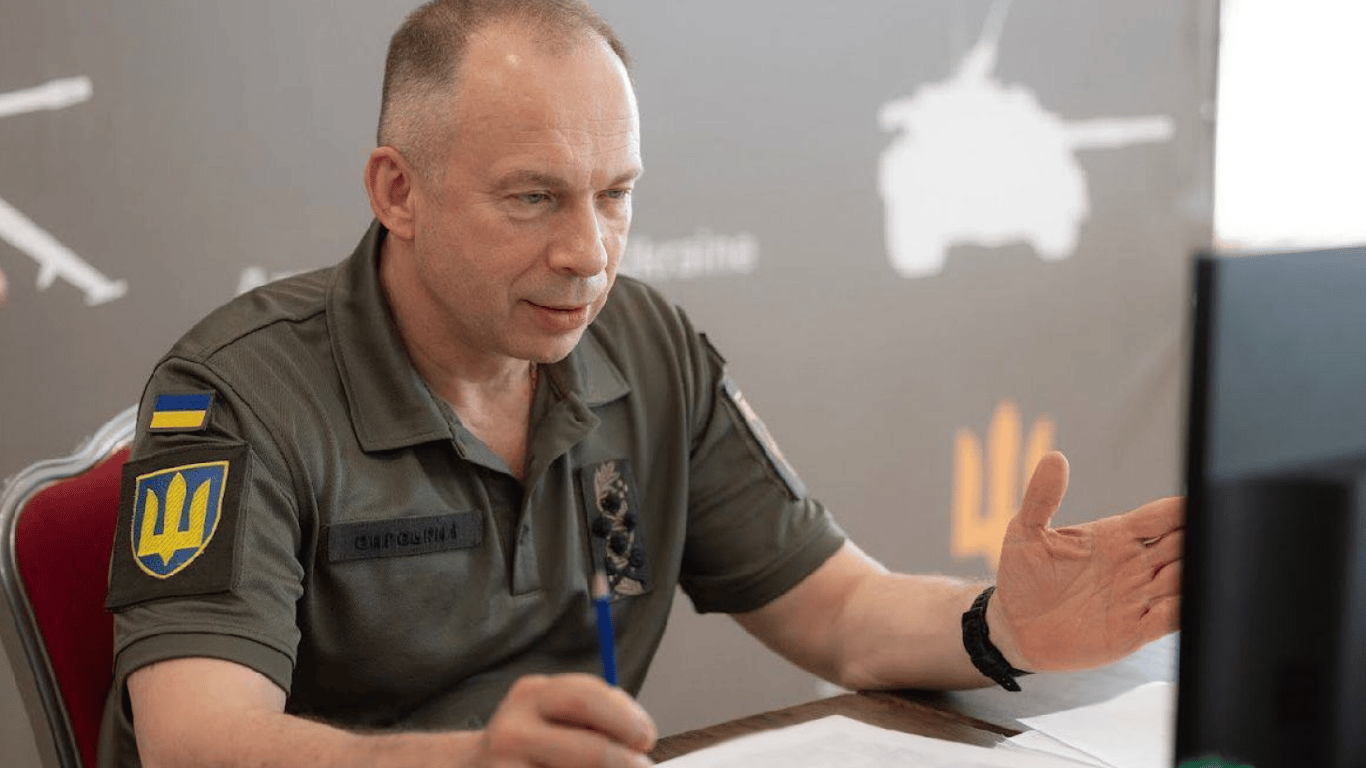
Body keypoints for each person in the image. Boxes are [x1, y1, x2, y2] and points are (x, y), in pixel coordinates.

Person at [99, 2, 1183, 767]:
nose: (589, 253)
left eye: (614, 195)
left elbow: (840, 610)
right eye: (532, 198)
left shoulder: (642, 343)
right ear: (398, 192)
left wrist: (1003, 629)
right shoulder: (234, 393)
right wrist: (473, 763)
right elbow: (197, 742)